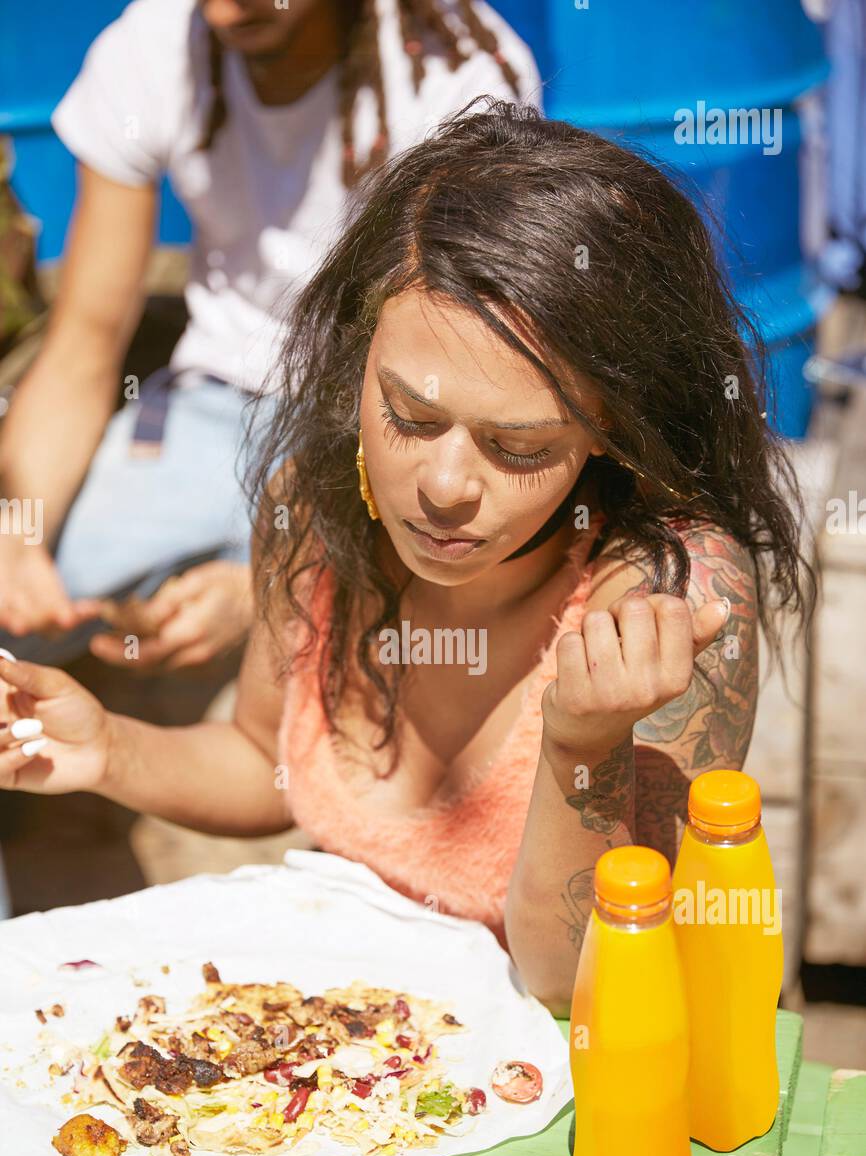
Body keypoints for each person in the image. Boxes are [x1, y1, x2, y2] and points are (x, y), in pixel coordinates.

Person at [0, 104, 813, 1013]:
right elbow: (262, 760)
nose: (444, 486)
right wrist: (106, 749)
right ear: (358, 364)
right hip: (370, 1067)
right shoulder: (310, 504)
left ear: (609, 433)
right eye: (411, 418)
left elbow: (575, 987)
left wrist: (581, 745)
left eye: (518, 446)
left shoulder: (668, 600)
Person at [0, 0, 539, 671]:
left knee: (360, 640)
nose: (228, 10)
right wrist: (18, 535)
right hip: (211, 406)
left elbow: (463, 374)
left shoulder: (460, 76)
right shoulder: (153, 43)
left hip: (381, 418)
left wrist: (275, 583)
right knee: (28, 613)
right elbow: (82, 346)